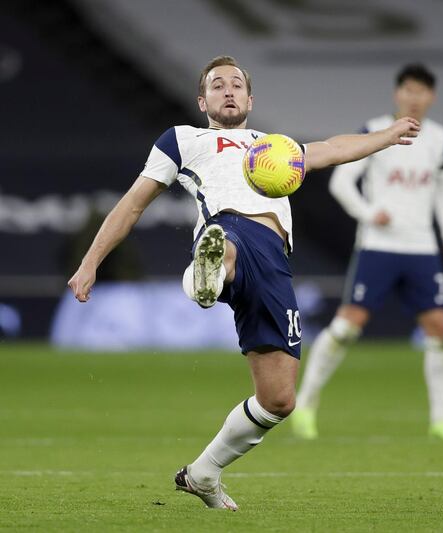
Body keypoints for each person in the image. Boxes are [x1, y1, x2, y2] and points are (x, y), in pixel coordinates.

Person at [67, 55, 420, 511]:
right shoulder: (182, 140)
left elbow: (332, 148)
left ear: (251, 100)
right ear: (202, 100)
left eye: (237, 84)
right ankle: (208, 271)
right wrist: (91, 261)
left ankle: (203, 473)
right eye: (217, 85)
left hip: (274, 261)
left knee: (279, 400)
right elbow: (133, 204)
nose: (228, 90)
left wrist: (387, 137)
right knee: (224, 242)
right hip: (231, 229)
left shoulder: (271, 146)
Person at [291, 64, 443, 441]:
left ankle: (441, 419)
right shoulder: (374, 131)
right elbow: (341, 183)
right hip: (378, 245)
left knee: (440, 329)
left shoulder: (440, 139)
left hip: (422, 247)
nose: (414, 98)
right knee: (347, 326)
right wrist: (370, 213)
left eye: (421, 92)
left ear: (431, 97)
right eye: (408, 90)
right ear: (397, 94)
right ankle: (305, 405)